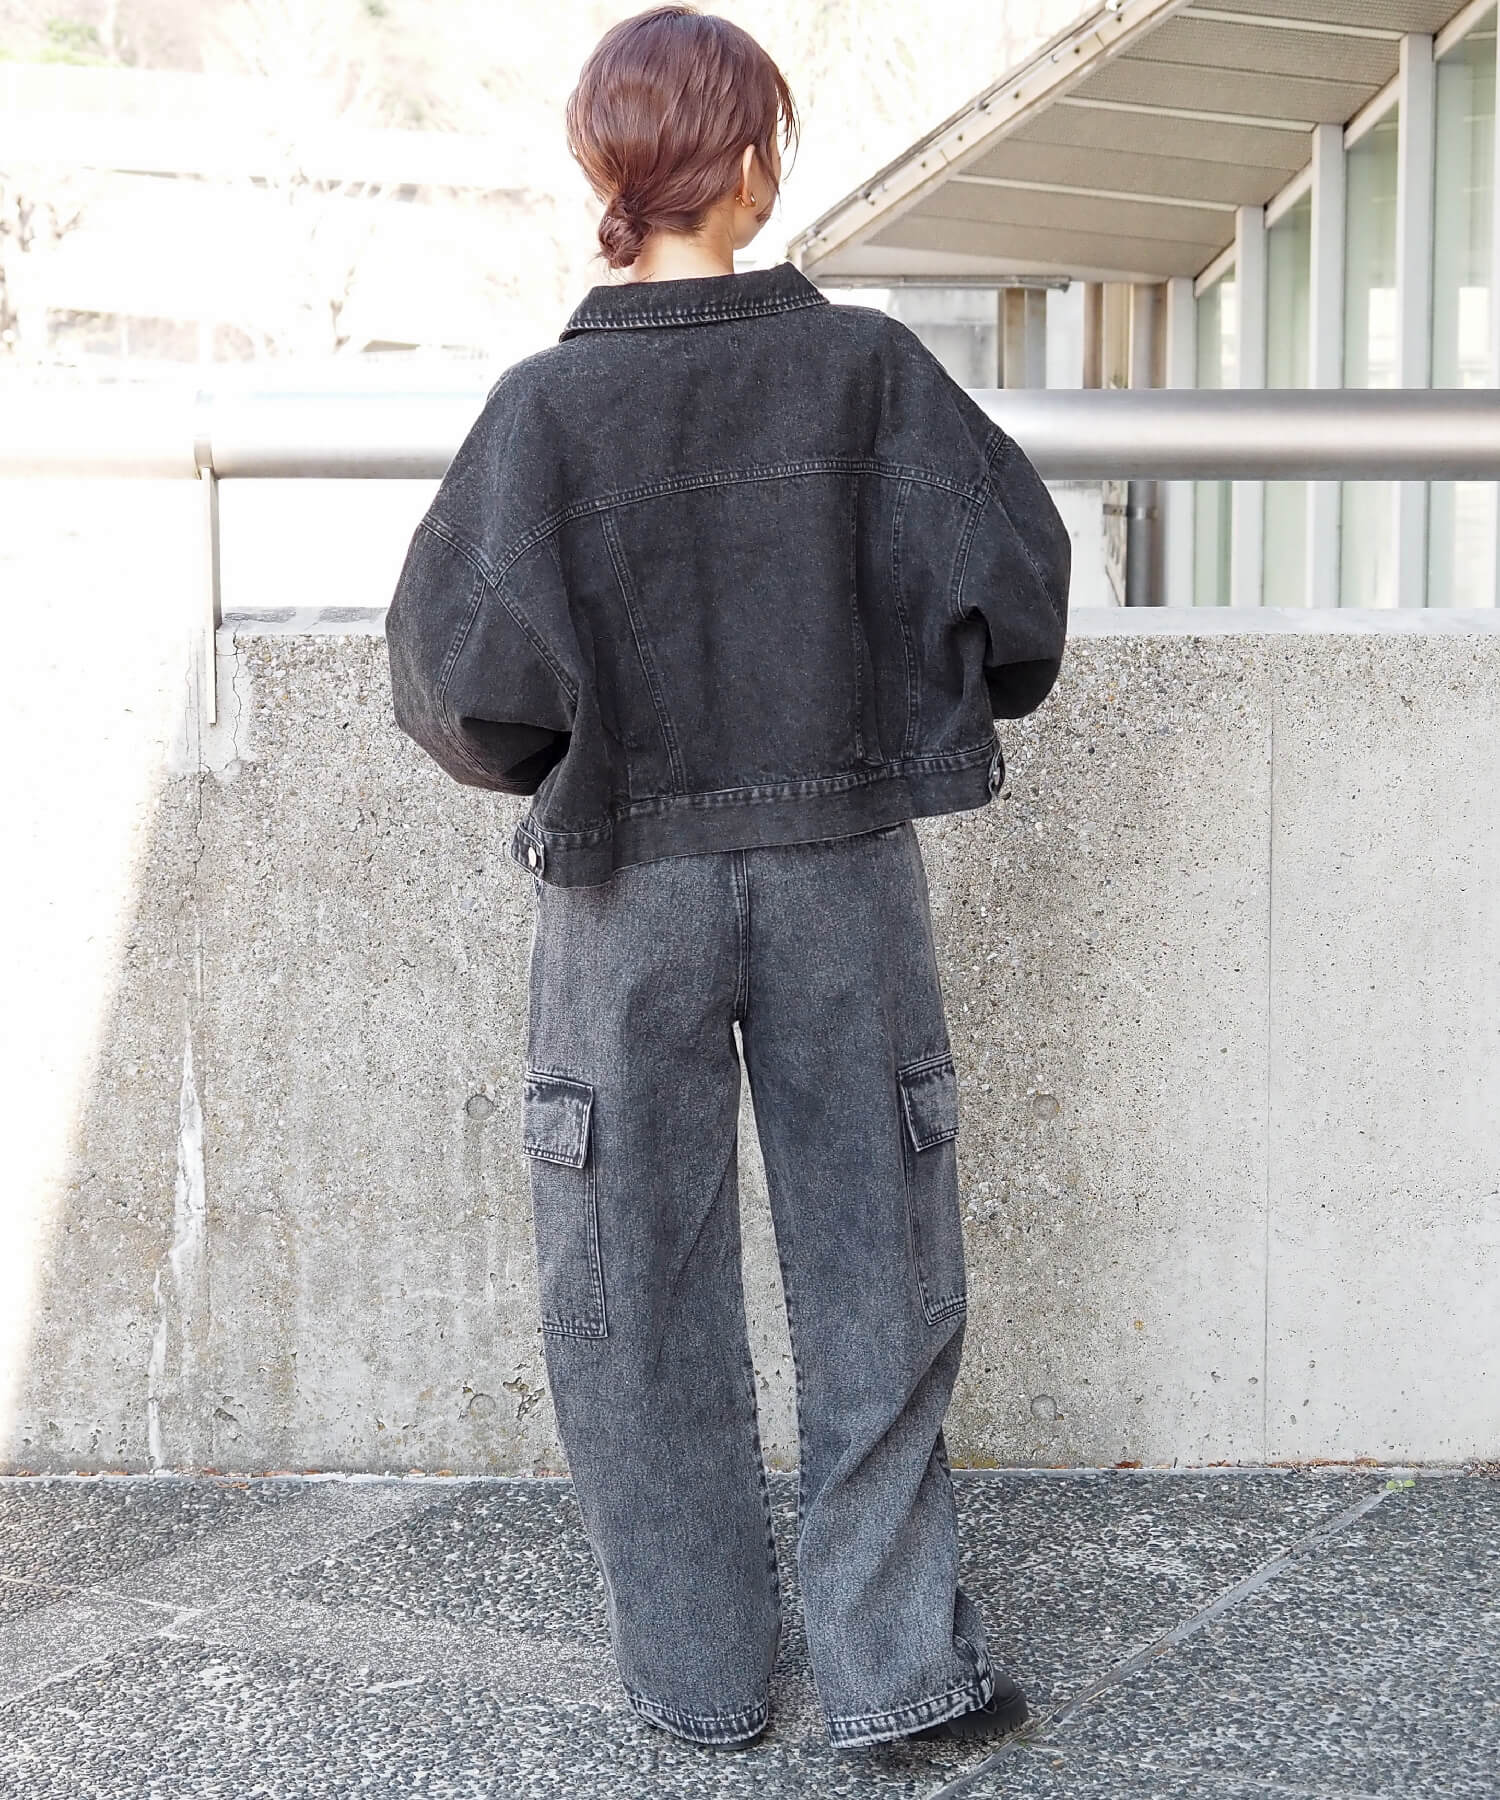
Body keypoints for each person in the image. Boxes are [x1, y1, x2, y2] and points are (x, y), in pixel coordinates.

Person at [384, 2, 1070, 1755]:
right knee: (876, 1254)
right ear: (752, 164)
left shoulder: (540, 412)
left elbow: (458, 683)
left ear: (604, 168)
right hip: (844, 869)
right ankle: (895, 1674)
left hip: (625, 888)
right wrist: (908, 710)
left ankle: (698, 1679)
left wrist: (577, 755)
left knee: (630, 1274)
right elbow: (1016, 594)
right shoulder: (868, 373)